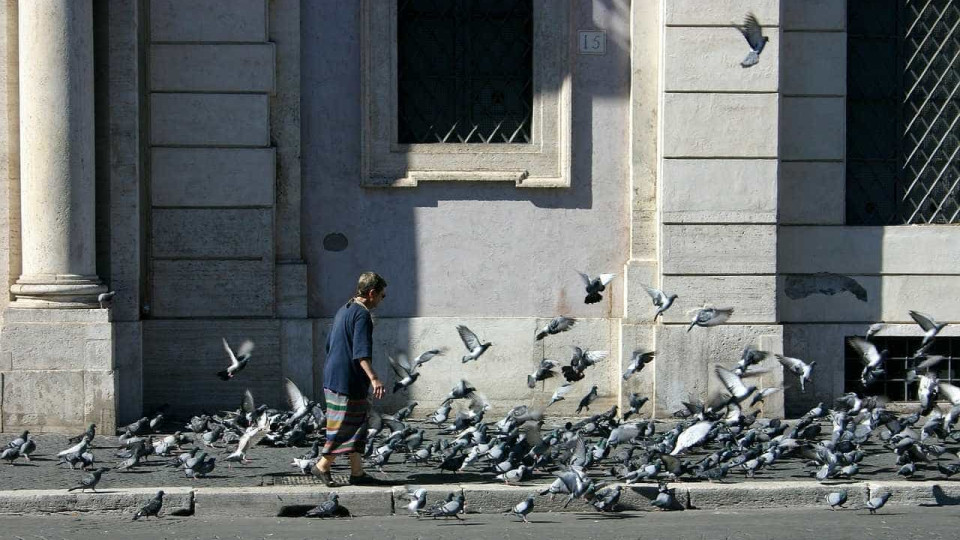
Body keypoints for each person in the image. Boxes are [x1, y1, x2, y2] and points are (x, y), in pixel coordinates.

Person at [312, 271, 388, 486]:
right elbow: (360, 352)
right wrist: (374, 378)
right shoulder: (362, 315)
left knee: (358, 423)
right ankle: (321, 466)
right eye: (382, 296)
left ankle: (357, 473)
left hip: (334, 376)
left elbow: (329, 345)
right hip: (348, 380)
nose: (382, 300)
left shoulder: (344, 309)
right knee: (347, 425)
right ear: (372, 293)